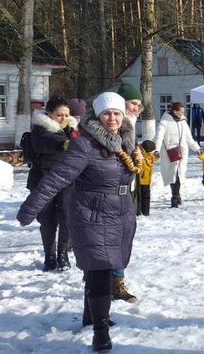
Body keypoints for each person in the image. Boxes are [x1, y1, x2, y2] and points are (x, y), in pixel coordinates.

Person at [17, 92, 141, 351]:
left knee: (102, 267)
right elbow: (57, 178)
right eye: (106, 113)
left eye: (117, 113)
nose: (112, 118)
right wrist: (30, 209)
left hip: (120, 213)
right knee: (101, 268)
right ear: (96, 115)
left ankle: (90, 315)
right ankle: (100, 331)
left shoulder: (126, 141)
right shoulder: (84, 144)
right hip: (90, 214)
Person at [26, 96, 77, 271]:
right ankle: (50, 255)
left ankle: (63, 254)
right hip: (43, 181)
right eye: (59, 115)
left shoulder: (72, 129)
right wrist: (64, 143)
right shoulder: (40, 129)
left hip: (68, 182)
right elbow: (43, 144)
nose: (63, 118)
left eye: (66, 115)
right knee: (47, 220)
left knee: (67, 217)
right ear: (50, 114)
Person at [113, 82, 144, 303]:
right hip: (106, 192)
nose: (135, 108)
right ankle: (111, 285)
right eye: (132, 103)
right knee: (112, 241)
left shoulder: (129, 125)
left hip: (125, 190)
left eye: (138, 105)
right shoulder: (112, 125)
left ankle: (115, 282)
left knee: (123, 239)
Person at [154, 102, 200, 208]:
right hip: (170, 152)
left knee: (179, 175)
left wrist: (197, 148)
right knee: (173, 175)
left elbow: (189, 138)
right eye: (181, 112)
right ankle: (174, 197)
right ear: (175, 111)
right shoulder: (164, 122)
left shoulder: (183, 121)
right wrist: (156, 150)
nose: (183, 114)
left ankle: (177, 195)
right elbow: (159, 137)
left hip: (182, 152)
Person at [137, 140, 156, 216]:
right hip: (140, 180)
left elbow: (151, 162)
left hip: (147, 180)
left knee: (146, 197)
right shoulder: (140, 155)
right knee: (141, 197)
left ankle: (146, 212)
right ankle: (140, 212)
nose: (152, 153)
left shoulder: (148, 155)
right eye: (151, 151)